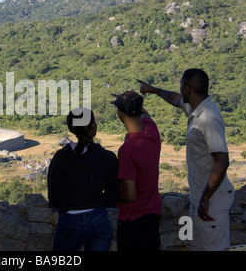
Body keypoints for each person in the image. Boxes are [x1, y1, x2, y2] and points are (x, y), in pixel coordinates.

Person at [138, 68, 235, 251]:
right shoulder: (195, 108)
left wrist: (205, 200)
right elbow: (175, 99)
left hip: (211, 201)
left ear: (188, 89)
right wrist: (154, 90)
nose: (180, 88)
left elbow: (222, 161)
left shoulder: (208, 117)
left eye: (181, 84)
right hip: (200, 199)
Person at [47, 107, 119, 251]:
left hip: (69, 219)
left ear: (72, 129)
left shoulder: (60, 157)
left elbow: (53, 195)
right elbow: (113, 194)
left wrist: (66, 208)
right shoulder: (108, 157)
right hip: (98, 217)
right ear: (93, 127)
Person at [111, 90, 162, 251]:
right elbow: (145, 114)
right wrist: (132, 100)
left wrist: (110, 196)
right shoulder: (152, 131)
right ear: (140, 109)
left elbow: (130, 194)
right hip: (153, 214)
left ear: (119, 113)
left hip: (132, 219)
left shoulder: (127, 149)